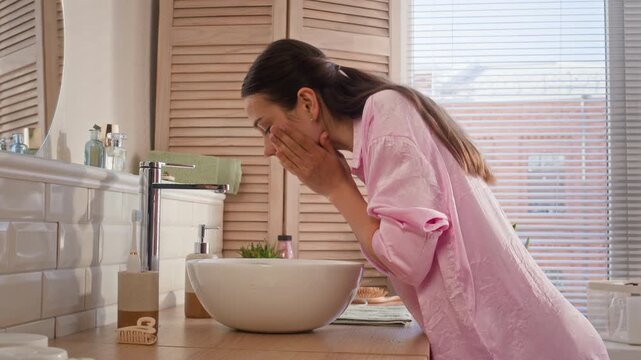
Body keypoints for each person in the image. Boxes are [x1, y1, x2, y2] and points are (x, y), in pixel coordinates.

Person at [241, 39, 609, 360]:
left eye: (266, 127)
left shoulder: (385, 116)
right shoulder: (378, 129)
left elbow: (407, 260)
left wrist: (336, 187)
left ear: (307, 103)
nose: (268, 149)